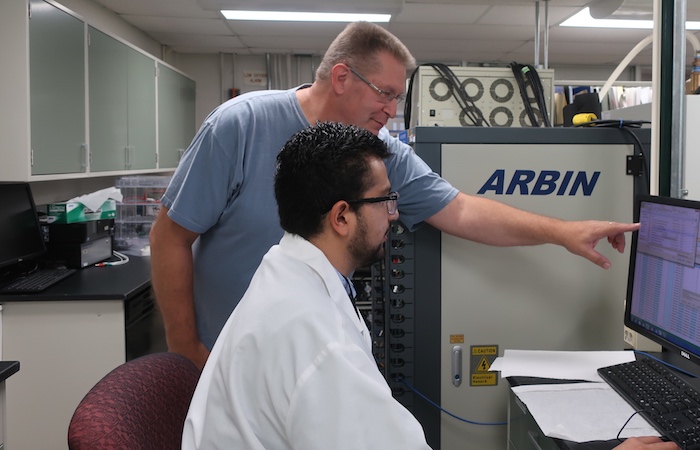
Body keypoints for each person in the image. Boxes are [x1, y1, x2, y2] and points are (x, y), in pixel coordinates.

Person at [150, 21, 640, 370]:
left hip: (315, 354)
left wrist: (564, 232)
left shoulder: (378, 153)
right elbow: (171, 235)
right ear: (341, 77)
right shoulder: (242, 125)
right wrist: (186, 347)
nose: (391, 110)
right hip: (224, 354)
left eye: (397, 98)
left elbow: (462, 210)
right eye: (384, 94)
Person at [181, 122, 675, 450]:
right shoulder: (316, 341)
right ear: (341, 217)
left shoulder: (284, 274)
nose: (396, 215)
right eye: (385, 201)